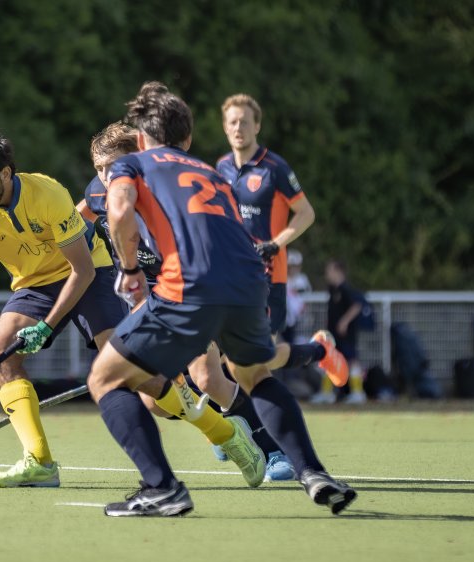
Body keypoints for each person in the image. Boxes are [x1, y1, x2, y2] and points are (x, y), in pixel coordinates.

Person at [88, 81, 355, 517]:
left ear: (139, 139)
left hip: (190, 286)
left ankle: (161, 487)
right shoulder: (212, 172)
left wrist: (131, 270)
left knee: (106, 378)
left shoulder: (133, 164)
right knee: (254, 374)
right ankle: (313, 472)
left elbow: (118, 212)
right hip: (251, 283)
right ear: (188, 138)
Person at [0, 131, 263, 489]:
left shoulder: (48, 194)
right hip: (34, 286)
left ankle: (225, 433)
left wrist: (47, 327)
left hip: (89, 275)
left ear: (6, 174)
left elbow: (81, 271)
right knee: (4, 359)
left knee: (136, 375)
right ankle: (39, 462)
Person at [78, 121, 295, 483]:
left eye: (112, 167)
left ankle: (272, 450)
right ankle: (228, 422)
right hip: (147, 294)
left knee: (207, 376)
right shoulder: (102, 193)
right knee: (154, 402)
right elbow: (82, 211)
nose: (105, 176)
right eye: (98, 168)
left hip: (191, 288)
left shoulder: (168, 194)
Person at [216, 94, 319, 371]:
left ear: (257, 126)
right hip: (231, 274)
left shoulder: (275, 169)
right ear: (225, 127)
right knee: (221, 358)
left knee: (257, 361)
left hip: (269, 275)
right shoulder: (221, 167)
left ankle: (318, 350)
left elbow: (306, 213)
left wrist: (276, 243)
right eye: (233, 122)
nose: (239, 128)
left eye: (245, 122)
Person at [311, 259, 367, 404]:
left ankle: (358, 393)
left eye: (329, 270)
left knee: (352, 361)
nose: (327, 274)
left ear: (338, 271)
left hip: (346, 334)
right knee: (328, 360)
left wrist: (344, 321)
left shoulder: (345, 289)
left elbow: (357, 305)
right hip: (333, 334)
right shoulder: (332, 289)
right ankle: (327, 393)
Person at [282, 249, 312, 346]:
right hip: (286, 319)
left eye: (295, 266)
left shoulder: (302, 279)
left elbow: (306, 296)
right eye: (290, 266)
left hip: (302, 319)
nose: (292, 269)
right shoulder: (283, 279)